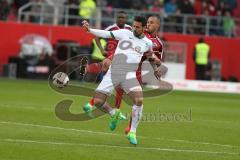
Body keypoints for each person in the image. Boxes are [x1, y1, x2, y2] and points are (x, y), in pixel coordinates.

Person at [81, 16, 161, 145]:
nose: (134, 29)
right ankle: (114, 113)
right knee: (97, 101)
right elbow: (105, 34)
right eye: (133, 26)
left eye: (137, 27)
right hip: (114, 73)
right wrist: (89, 30)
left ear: (143, 28)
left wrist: (155, 61)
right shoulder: (124, 33)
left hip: (129, 75)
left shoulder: (147, 42)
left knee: (139, 100)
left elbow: (149, 54)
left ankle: (132, 132)